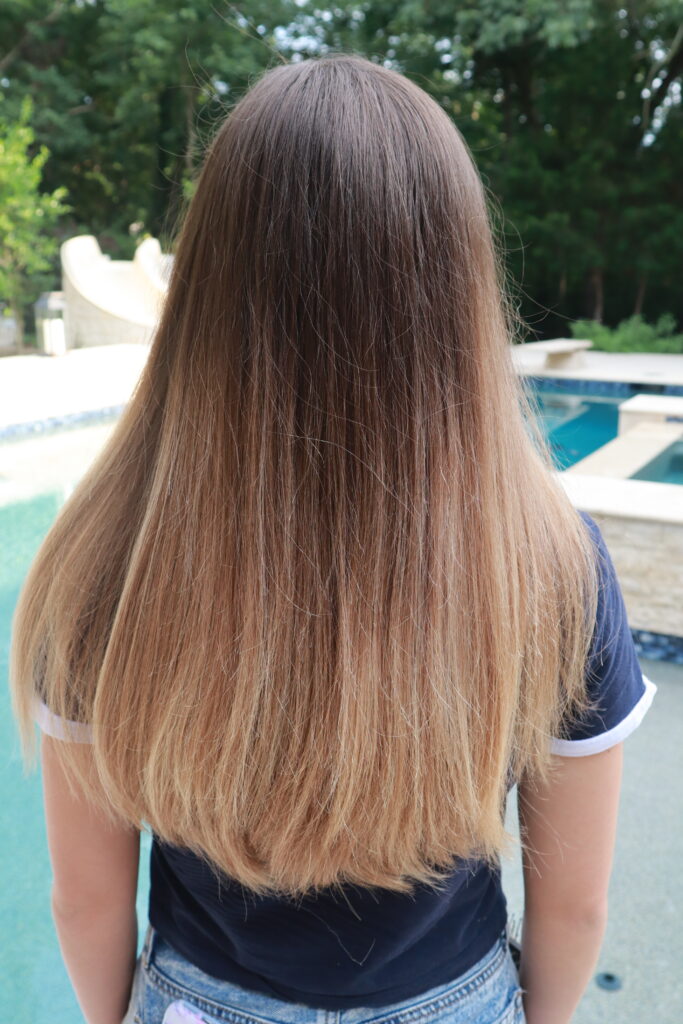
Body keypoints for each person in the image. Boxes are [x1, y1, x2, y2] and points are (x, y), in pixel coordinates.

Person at [11, 53, 655, 1024]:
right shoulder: (549, 562)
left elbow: (86, 897)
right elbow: (574, 902)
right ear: (453, 289)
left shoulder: (103, 553)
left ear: (209, 290)